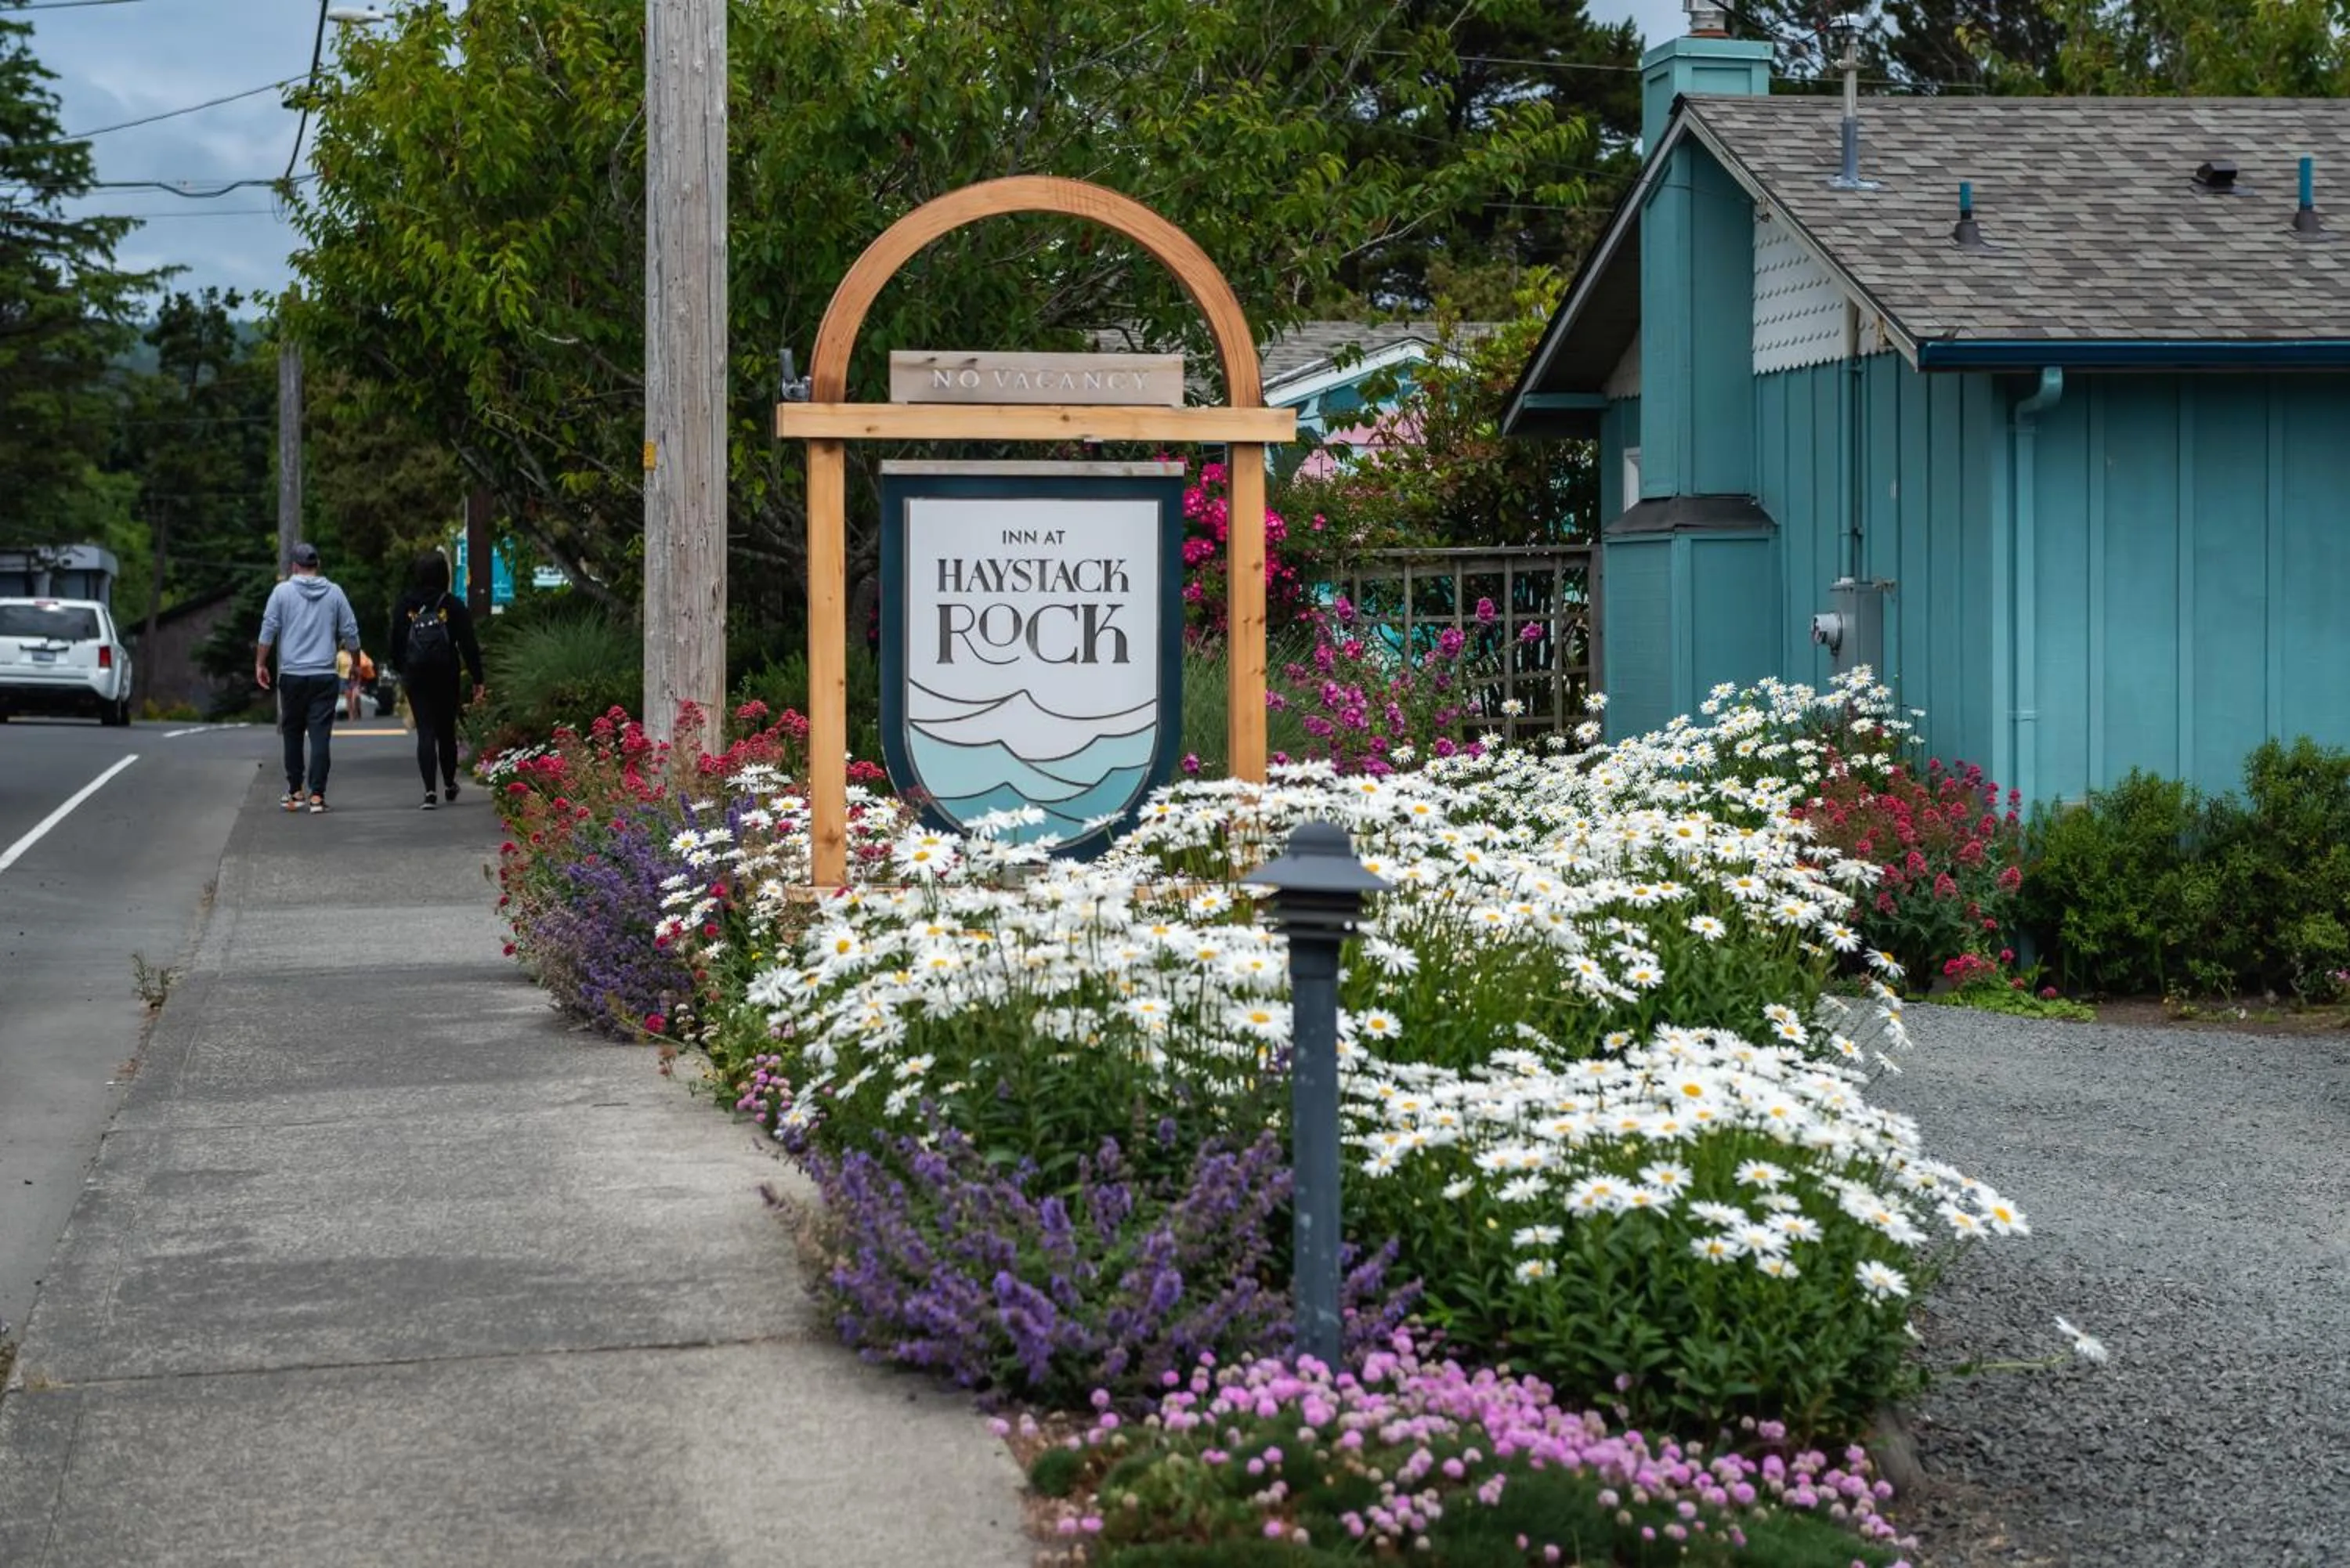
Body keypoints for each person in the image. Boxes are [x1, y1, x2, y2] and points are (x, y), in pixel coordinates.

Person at [255, 541, 363, 814]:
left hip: (292, 675)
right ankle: (317, 795)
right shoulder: (335, 593)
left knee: (292, 733)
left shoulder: (282, 593)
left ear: (294, 566)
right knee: (320, 736)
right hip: (324, 675)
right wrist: (356, 663)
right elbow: (350, 630)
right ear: (318, 566)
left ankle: (295, 791)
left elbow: (268, 629)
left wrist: (260, 663)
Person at [391, 552, 486, 810]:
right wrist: (478, 678)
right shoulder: (452, 605)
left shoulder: (405, 604)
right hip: (446, 673)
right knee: (446, 730)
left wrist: (403, 669)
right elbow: (468, 644)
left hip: (416, 674)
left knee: (425, 730)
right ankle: (449, 782)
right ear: (444, 575)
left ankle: (429, 792)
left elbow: (396, 641)